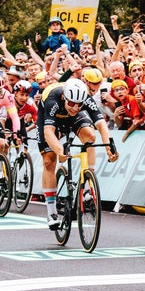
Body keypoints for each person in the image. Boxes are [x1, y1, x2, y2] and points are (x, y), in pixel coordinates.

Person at [37, 78, 118, 228]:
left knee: (91, 136)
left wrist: (109, 146)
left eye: (79, 104)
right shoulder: (53, 100)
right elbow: (48, 132)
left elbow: (101, 124)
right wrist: (60, 150)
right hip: (50, 118)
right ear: (64, 97)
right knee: (49, 160)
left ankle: (87, 186)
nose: (75, 107)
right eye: (72, 103)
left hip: (71, 119)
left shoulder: (84, 99)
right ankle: (51, 211)